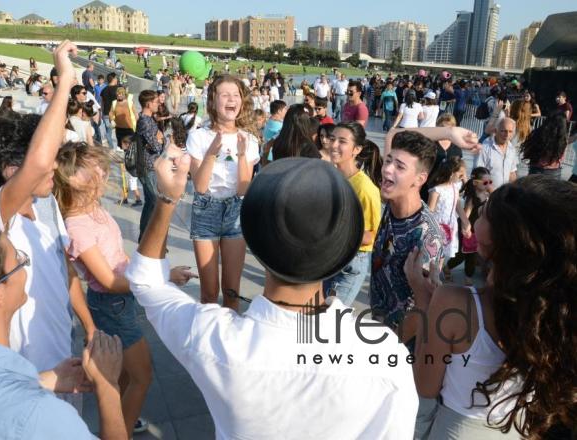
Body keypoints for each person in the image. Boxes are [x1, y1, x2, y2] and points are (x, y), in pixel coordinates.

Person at [126, 154, 418, 438]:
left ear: (253, 243)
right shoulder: (385, 355)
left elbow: (146, 282)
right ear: (345, 252)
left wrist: (166, 199)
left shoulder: (214, 340)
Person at [0, 205, 128, 440]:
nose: (24, 268)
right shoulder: (40, 416)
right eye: (18, 260)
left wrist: (43, 379)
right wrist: (108, 386)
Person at [405, 175, 576, 440]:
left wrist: (423, 302)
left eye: (486, 211)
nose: (479, 214)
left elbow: (424, 389)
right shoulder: (561, 314)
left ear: (502, 239)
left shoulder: (454, 302)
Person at [0, 41, 97, 375]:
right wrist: (65, 81)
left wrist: (89, 325)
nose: (53, 167)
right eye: (47, 161)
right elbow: (40, 161)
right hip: (26, 373)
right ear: (13, 171)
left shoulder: (46, 206)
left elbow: (65, 270)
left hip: (61, 358)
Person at [53, 142, 154, 436]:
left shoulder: (92, 209)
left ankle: (123, 419)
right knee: (142, 376)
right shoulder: (78, 226)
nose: (103, 173)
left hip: (122, 302)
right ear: (74, 179)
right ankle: (119, 430)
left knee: (122, 373)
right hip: (113, 305)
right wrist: (158, 279)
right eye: (95, 169)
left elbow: (117, 257)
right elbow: (108, 282)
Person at [375, 126, 480, 343]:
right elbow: (393, 135)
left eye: (399, 166)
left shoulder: (426, 236)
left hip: (400, 346)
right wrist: (449, 133)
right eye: (388, 161)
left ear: (420, 179)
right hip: (378, 325)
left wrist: (386, 350)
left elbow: (422, 306)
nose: (387, 170)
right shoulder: (394, 201)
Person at [185, 75, 260, 310]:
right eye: (225, 95)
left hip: (236, 211)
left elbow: (244, 188)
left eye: (236, 95)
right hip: (205, 209)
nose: (232, 99)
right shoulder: (198, 136)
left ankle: (229, 340)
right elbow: (199, 186)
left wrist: (240, 154)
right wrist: (211, 153)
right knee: (209, 293)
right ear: (213, 101)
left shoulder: (248, 139)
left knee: (231, 291)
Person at [324, 122, 381, 305]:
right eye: (332, 139)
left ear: (356, 149)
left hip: (351, 262)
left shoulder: (365, 188)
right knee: (318, 315)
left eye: (342, 141)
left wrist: (335, 228)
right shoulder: (330, 176)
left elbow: (371, 235)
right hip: (329, 257)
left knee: (330, 318)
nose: (334, 145)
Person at [444, 166, 492, 285]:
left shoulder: (487, 196)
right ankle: (448, 267)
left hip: (478, 228)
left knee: (473, 254)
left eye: (490, 182)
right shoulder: (472, 198)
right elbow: (465, 215)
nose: (489, 184)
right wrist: (466, 229)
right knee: (464, 254)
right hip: (468, 228)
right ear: (475, 183)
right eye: (485, 182)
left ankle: (468, 276)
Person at [427, 157, 471, 263]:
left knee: (443, 255)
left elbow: (458, 207)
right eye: (460, 175)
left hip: (450, 226)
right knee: (432, 255)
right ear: (451, 173)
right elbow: (429, 212)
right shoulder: (437, 190)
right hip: (437, 226)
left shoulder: (454, 189)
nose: (463, 178)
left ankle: (436, 275)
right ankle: (429, 276)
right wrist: (428, 231)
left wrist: (466, 223)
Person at [135, 89, 164, 241]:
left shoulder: (149, 119)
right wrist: (159, 139)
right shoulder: (145, 121)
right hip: (146, 165)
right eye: (155, 101)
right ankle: (145, 237)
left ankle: (146, 236)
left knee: (151, 202)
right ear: (148, 103)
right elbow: (156, 146)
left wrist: (159, 139)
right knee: (153, 200)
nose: (158, 103)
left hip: (152, 164)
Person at [520, 113, 568, 178]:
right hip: (553, 171)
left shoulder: (537, 134)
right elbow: (560, 157)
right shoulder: (561, 139)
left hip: (536, 169)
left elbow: (528, 150)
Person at [475, 118, 517, 190]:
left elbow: (512, 173)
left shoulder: (511, 148)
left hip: (504, 195)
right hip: (486, 195)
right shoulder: (485, 147)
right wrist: (492, 192)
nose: (507, 135)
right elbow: (479, 174)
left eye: (510, 131)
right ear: (495, 130)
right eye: (503, 131)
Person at [100, 72, 119, 149]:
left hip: (106, 114)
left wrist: (102, 113)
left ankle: (112, 149)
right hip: (115, 114)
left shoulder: (104, 90)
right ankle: (118, 147)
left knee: (108, 132)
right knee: (119, 132)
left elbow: (101, 103)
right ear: (114, 79)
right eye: (116, 78)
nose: (117, 79)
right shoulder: (118, 89)